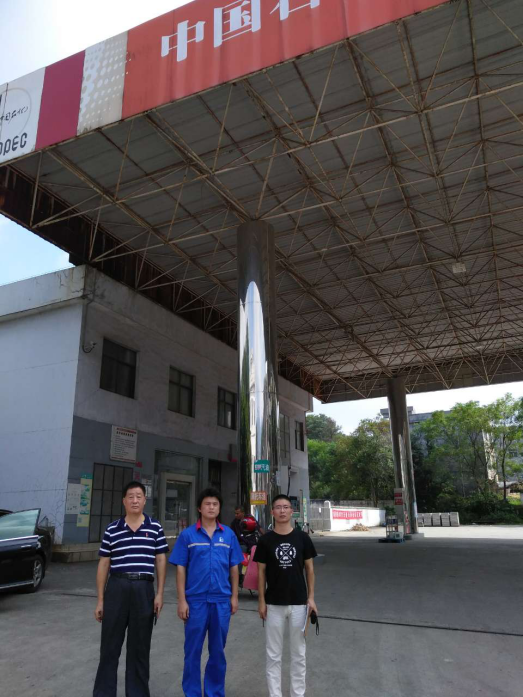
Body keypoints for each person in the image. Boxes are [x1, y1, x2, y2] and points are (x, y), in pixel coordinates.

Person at [93, 480, 168, 697]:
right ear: (124, 501)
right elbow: (104, 564)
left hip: (144, 589)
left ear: (145, 500)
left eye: (139, 496)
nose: (135, 500)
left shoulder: (155, 527)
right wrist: (100, 600)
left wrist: (160, 594)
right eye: (130, 497)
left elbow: (160, 560)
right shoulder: (112, 529)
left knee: (139, 648)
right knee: (109, 647)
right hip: (117, 588)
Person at [170, 487, 244, 697]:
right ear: (199, 508)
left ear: (219, 508)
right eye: (207, 504)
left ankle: (214, 692)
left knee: (218, 652)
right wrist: (182, 600)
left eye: (215, 504)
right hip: (196, 601)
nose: (211, 507)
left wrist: (234, 597)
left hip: (221, 600)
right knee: (192, 651)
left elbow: (234, 568)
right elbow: (181, 568)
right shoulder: (188, 535)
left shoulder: (228, 535)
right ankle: (192, 693)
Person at [254, 494, 318, 697]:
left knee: (299, 654)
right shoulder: (265, 540)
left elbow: (310, 570)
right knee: (273, 655)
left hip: (299, 603)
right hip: (273, 603)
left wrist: (311, 598)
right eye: (278, 507)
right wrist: (261, 601)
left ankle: (297, 694)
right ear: (272, 512)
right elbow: (261, 572)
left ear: (292, 511)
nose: (282, 511)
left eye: (286, 507)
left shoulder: (303, 538)